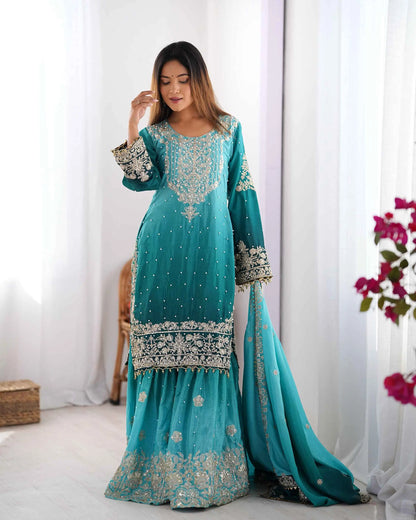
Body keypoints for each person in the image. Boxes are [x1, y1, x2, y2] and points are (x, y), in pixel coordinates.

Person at [104, 41, 369, 509]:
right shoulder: (157, 133)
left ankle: (208, 465)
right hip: (160, 252)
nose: (173, 89)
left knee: (210, 352)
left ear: (199, 80)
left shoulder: (229, 129)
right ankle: (155, 466)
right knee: (159, 355)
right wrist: (132, 123)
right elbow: (140, 180)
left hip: (211, 254)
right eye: (165, 81)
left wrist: (252, 262)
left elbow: (241, 194)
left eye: (182, 79)